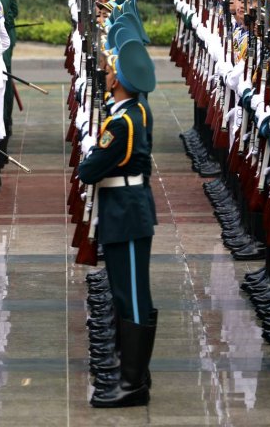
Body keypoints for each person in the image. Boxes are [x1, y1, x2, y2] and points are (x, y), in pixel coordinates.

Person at [77, 39, 157, 408]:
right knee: (129, 292)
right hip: (127, 210)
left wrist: (92, 152)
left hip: (126, 213)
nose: (106, 75)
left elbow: (90, 170)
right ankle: (132, 372)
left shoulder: (123, 122)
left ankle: (133, 383)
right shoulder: (134, 111)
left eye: (111, 72)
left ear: (118, 80)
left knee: (132, 296)